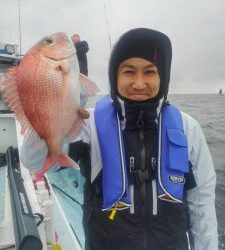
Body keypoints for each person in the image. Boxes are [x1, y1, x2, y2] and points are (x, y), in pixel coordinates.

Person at [20, 28, 218, 250]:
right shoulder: (89, 123)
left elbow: (201, 205)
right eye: (129, 72)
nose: (139, 83)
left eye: (150, 72)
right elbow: (34, 161)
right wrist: (66, 99)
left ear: (163, 76)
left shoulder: (188, 128)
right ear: (115, 76)